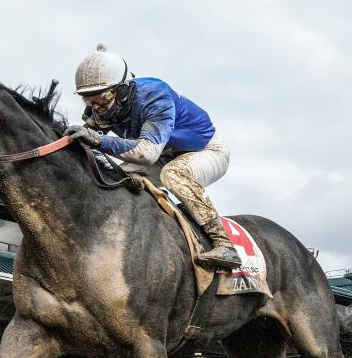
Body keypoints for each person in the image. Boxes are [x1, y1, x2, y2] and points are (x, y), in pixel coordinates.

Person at [65, 44, 241, 269]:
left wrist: (98, 140)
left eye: (102, 96)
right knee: (116, 176)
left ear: (122, 89)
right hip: (164, 155)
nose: (96, 106)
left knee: (174, 175)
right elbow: (85, 136)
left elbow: (147, 153)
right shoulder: (102, 106)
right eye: (88, 100)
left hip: (205, 150)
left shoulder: (154, 95)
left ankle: (224, 243)